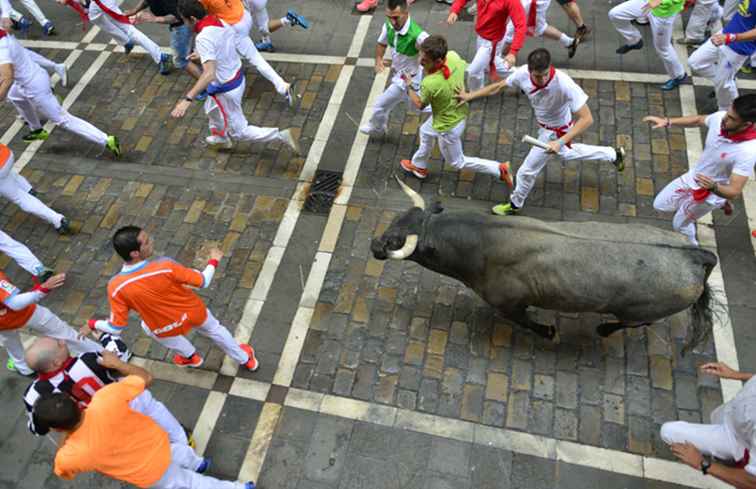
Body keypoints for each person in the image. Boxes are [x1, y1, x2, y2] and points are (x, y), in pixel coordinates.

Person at [457, 48, 625, 215]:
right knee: (567, 153)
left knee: (526, 172)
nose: (543, 79)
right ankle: (613, 154)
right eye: (538, 76)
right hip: (545, 128)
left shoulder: (565, 84)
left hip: (556, 132)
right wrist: (470, 96)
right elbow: (499, 86)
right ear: (529, 71)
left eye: (545, 74)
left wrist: (559, 141)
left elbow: (587, 119)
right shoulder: (522, 74)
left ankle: (515, 204)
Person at [35, 371, 256, 488]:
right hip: (161, 443)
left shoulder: (71, 454)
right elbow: (140, 379)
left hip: (151, 473)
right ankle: (199, 464)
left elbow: (63, 471)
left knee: (192, 484)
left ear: (55, 428)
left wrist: (64, 436)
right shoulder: (105, 398)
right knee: (182, 453)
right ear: (75, 403)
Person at [85, 225, 260, 371]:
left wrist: (93, 324)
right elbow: (203, 281)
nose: (151, 241)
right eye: (146, 242)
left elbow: (115, 327)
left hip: (163, 325)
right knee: (216, 330)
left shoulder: (116, 287)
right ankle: (246, 359)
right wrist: (213, 261)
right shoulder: (165, 266)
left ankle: (191, 357)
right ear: (134, 253)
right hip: (193, 312)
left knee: (147, 327)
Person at [170, 0, 301, 152]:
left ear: (192, 19)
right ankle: (220, 137)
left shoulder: (203, 38)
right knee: (211, 109)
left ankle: (281, 135)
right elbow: (223, 44)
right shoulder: (219, 21)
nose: (184, 24)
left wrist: (187, 99)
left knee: (240, 132)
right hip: (235, 77)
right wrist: (203, 55)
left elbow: (209, 74)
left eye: (184, 20)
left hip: (226, 89)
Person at [23, 338, 194, 449]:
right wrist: (104, 336)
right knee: (158, 415)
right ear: (56, 362)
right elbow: (119, 348)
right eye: (59, 344)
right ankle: (184, 443)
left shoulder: (32, 395)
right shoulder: (88, 359)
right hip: (130, 402)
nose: (63, 341)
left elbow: (37, 429)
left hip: (100, 427)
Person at [400, 35, 515, 185]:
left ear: (439, 61)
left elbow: (420, 104)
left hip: (447, 127)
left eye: (425, 60)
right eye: (421, 54)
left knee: (457, 162)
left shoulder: (430, 83)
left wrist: (409, 85)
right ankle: (419, 165)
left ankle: (499, 169)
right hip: (458, 112)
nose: (420, 60)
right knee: (425, 131)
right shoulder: (453, 57)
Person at [644, 94, 756, 246]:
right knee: (660, 205)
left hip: (709, 192)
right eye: (728, 113)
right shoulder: (720, 118)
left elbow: (735, 191)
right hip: (694, 177)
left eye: (731, 118)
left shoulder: (748, 152)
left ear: (746, 124)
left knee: (679, 224)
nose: (724, 118)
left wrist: (714, 187)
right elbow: (698, 120)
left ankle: (692, 247)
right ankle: (722, 202)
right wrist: (668, 121)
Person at [0, 29, 121, 156]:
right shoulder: (4, 35)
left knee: (63, 120)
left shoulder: (2, 48)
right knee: (15, 96)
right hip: (28, 81)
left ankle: (106, 140)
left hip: (34, 87)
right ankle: (36, 130)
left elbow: (7, 78)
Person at [660, 361, 756, 488]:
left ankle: (731, 463)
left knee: (668, 431)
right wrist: (736, 375)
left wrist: (702, 463)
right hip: (733, 416)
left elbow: (753, 482)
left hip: (735, 440)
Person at [198, 0, 301, 105]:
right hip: (244, 16)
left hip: (233, 26)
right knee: (235, 52)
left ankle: (283, 87)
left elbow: (198, 13)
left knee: (254, 59)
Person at [0, 272, 103, 375]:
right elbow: (14, 303)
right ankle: (103, 356)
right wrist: (43, 289)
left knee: (12, 345)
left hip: (2, 325)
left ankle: (25, 369)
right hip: (26, 313)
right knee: (67, 335)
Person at [359, 0, 429, 137]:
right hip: (400, 80)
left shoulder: (419, 36)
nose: (392, 22)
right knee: (380, 105)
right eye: (389, 17)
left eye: (396, 17)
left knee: (424, 107)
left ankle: (448, 117)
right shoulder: (388, 26)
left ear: (406, 12)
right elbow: (381, 43)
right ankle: (378, 127)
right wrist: (378, 59)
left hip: (414, 81)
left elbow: (435, 54)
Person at [69, 0, 172, 75]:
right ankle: (125, 41)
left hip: (103, 2)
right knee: (94, 16)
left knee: (128, 29)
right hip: (97, 3)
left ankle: (161, 56)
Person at [688, 0, 756, 111]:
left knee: (724, 85)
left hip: (737, 48)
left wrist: (732, 37)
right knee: (695, 62)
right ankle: (727, 82)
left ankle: (729, 112)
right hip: (724, 34)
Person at [447, 0, 527, 91]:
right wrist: (454, 10)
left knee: (474, 71)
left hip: (491, 43)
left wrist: (513, 52)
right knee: (489, 64)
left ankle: (475, 92)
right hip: (482, 37)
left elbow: (521, 25)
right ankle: (523, 75)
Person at [609, 0, 687, 90]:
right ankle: (634, 40)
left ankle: (679, 76)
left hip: (662, 12)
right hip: (647, 2)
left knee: (663, 48)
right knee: (615, 14)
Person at [0, 144, 71, 234]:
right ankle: (28, 190)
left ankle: (58, 220)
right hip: (6, 154)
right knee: (6, 177)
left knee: (20, 197)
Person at [124, 0, 202, 80]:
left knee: (180, 60)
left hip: (182, 26)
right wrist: (135, 10)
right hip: (185, 22)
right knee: (191, 52)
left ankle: (208, 85)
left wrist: (154, 18)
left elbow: (176, 17)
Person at [501, 0, 580, 59]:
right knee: (539, 27)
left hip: (531, 2)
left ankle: (504, 61)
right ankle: (569, 42)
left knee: (511, 29)